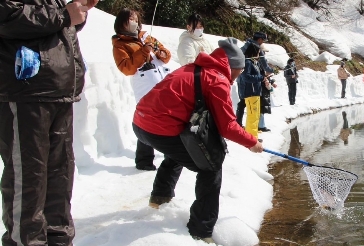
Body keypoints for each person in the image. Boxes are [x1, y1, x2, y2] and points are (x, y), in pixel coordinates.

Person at [132, 37, 263, 243]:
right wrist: (252, 142)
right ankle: (201, 230)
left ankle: (160, 198)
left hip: (140, 123)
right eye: (239, 70)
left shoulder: (194, 68)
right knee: (211, 165)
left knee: (179, 153)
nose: (238, 77)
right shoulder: (217, 79)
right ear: (231, 66)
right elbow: (227, 126)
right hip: (159, 128)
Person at [0, 0, 98, 245]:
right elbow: (8, 17)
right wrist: (64, 15)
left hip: (58, 89)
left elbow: (48, 26)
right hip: (26, 91)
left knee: (59, 177)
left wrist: (77, 14)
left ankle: (58, 240)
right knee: (29, 178)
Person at [112, 8, 172, 171]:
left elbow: (166, 54)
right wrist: (143, 51)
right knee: (148, 120)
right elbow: (127, 68)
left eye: (136, 18)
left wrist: (160, 52)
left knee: (169, 118)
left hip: (161, 80)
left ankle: (171, 154)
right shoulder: (120, 44)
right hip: (144, 85)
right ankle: (144, 159)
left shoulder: (146, 35)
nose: (134, 22)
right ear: (122, 22)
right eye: (130, 19)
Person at [236, 31, 273, 126]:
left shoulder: (245, 46)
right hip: (250, 82)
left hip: (240, 77)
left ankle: (238, 123)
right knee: (251, 107)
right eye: (263, 40)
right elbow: (264, 64)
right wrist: (271, 70)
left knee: (242, 102)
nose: (263, 42)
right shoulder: (255, 48)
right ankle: (251, 129)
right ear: (260, 39)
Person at [238, 41, 267, 138]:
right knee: (252, 116)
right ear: (253, 52)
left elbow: (257, 75)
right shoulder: (247, 63)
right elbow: (246, 77)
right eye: (258, 52)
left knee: (255, 115)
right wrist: (260, 78)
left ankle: (253, 134)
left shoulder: (254, 62)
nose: (259, 54)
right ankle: (251, 138)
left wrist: (262, 77)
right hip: (250, 93)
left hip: (256, 93)